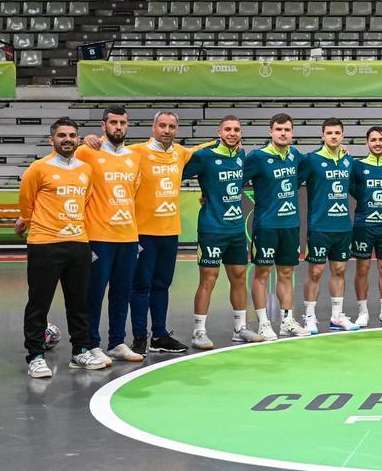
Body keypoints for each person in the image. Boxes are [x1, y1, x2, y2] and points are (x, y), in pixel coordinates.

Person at [17, 118, 105, 378]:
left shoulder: (86, 169)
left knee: (79, 303)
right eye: (62, 135)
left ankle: (80, 351)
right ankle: (35, 356)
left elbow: (86, 199)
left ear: (78, 139)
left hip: (78, 243)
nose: (68, 139)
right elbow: (26, 201)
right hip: (45, 244)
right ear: (51, 140)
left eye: (72, 135)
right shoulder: (38, 168)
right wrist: (29, 221)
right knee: (39, 303)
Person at [121, 112, 213, 354]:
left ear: (177, 129)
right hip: (143, 232)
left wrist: (224, 141)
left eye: (171, 126)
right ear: (153, 128)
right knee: (141, 285)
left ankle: (160, 335)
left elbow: (200, 149)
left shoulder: (179, 153)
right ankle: (140, 337)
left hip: (170, 232)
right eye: (162, 125)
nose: (167, 130)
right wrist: (94, 140)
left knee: (162, 285)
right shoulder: (135, 152)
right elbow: (109, 152)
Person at [183, 116, 263, 349]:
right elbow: (177, 171)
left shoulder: (241, 156)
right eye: (227, 129)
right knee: (208, 278)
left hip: (236, 229)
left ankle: (240, 328)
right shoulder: (205, 156)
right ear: (219, 132)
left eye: (236, 129)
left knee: (239, 276)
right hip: (212, 229)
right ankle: (199, 331)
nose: (232, 133)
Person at [74, 107, 144, 365]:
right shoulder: (87, 151)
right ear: (103, 125)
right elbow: (65, 163)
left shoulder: (134, 156)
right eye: (113, 122)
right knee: (94, 293)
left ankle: (116, 342)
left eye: (122, 122)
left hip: (128, 235)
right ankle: (91, 344)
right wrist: (83, 139)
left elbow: (133, 191)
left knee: (122, 292)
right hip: (98, 235)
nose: (118, 127)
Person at [243, 113, 310, 340]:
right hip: (266, 225)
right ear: (270, 132)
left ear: (292, 133)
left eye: (287, 130)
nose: (283, 133)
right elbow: (235, 179)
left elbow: (307, 171)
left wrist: (342, 150)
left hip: (290, 225)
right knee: (262, 273)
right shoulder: (257, 157)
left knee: (287, 273)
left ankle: (287, 321)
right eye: (279, 129)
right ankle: (263, 323)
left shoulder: (295, 156)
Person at [298, 118, 358, 334]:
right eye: (329, 133)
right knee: (315, 271)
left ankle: (336, 316)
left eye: (337, 133)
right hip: (319, 225)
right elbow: (292, 182)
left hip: (343, 226)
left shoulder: (348, 160)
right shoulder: (311, 159)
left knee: (339, 270)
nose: (334, 136)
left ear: (343, 136)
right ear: (322, 136)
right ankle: (309, 317)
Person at [348, 126, 382, 326]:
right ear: (367, 143)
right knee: (362, 269)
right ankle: (363, 312)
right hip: (364, 224)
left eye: (381, 140)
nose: (377, 143)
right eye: (373, 140)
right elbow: (353, 189)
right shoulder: (357, 166)